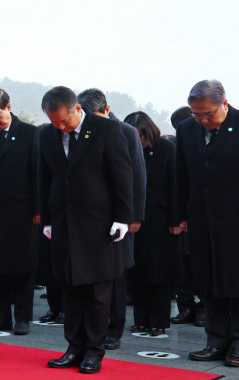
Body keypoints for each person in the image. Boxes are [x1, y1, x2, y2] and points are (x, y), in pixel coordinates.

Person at [39, 87, 133, 374]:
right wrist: (47, 219)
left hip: (99, 224)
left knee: (97, 292)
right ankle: (74, 347)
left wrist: (123, 218)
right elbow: (45, 177)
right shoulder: (46, 134)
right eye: (55, 122)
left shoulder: (105, 129)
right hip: (64, 223)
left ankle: (94, 351)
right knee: (71, 288)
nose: (61, 127)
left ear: (78, 109)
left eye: (65, 121)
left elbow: (122, 174)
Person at [77, 88, 147, 350]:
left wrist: (134, 216)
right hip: (90, 217)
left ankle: (114, 329)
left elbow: (137, 178)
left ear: (106, 110)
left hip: (119, 216)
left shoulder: (125, 131)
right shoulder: (82, 131)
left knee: (115, 274)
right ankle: (92, 327)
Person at [176, 80, 239, 366]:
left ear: (224, 104)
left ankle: (237, 342)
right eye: (196, 114)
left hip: (234, 219)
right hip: (202, 218)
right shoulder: (186, 130)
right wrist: (182, 214)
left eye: (208, 114)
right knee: (208, 279)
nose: (202, 120)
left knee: (235, 280)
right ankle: (215, 340)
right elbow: (182, 175)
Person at [0, 89, 39, 335]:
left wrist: (37, 209)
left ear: (8, 107)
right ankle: (1, 317)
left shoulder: (31, 134)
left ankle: (22, 318)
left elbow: (37, 174)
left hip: (21, 212)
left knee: (22, 267)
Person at [124, 111, 181, 337]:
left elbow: (175, 186)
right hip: (135, 219)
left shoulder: (167, 150)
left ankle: (159, 320)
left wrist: (176, 220)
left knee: (159, 272)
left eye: (140, 135)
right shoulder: (127, 151)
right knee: (138, 272)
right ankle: (141, 319)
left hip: (161, 219)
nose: (138, 140)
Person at [169, 105, 206, 327]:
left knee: (199, 265)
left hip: (199, 215)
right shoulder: (174, 146)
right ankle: (186, 306)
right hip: (181, 215)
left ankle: (203, 308)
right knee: (181, 265)